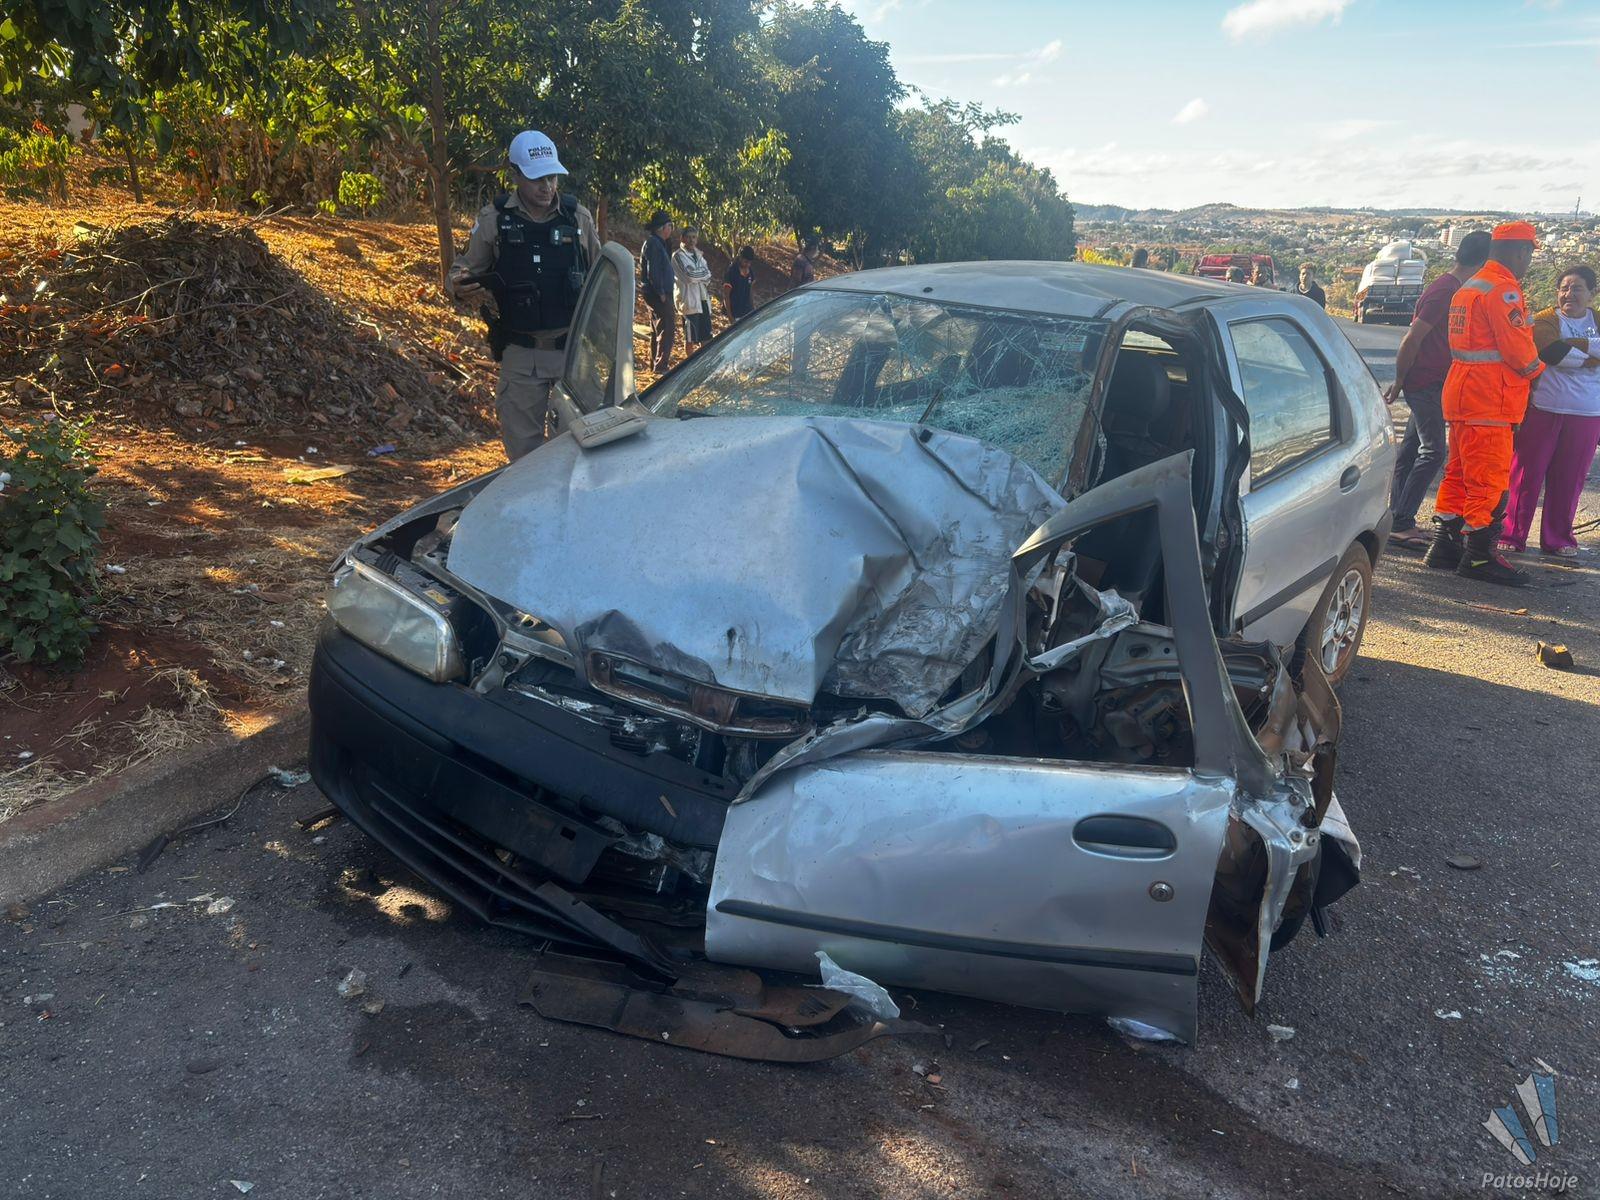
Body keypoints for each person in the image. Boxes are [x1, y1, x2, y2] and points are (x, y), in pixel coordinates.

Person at [448, 130, 600, 461]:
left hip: (573, 355)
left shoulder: (578, 218)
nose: (547, 187)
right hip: (521, 357)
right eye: (536, 179)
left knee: (582, 452)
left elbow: (603, 280)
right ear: (515, 175)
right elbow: (463, 270)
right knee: (524, 458)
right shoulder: (494, 220)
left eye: (552, 177)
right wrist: (459, 283)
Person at [1425, 221, 1544, 586]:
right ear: (1521, 252)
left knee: (1459, 473)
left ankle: (1445, 545)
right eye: (1529, 255)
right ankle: (1479, 556)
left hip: (1464, 394)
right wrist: (1537, 373)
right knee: (1489, 480)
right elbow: (1519, 350)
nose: (1528, 263)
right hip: (1490, 399)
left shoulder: (1470, 286)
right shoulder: (1503, 290)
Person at [1384, 230, 1493, 549]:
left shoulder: (1454, 288)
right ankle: (1401, 522)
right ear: (1484, 262)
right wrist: (1400, 380)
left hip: (1433, 381)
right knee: (1433, 453)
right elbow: (1412, 338)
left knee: (1410, 451)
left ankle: (1396, 518)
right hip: (1426, 382)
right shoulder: (1445, 290)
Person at [1500, 264, 1600, 557]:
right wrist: (1593, 354)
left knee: (1570, 479)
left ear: (1592, 293)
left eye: (1577, 288)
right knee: (1525, 474)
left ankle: (1558, 539)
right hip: (1543, 408)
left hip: (1587, 414)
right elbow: (1551, 353)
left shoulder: (1597, 319)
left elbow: (1563, 351)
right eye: (1564, 288)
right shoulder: (1544, 320)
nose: (1569, 294)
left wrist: (1572, 347)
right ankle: (1512, 534)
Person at [640, 210, 676, 373]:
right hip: (657, 293)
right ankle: (661, 366)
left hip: (657, 292)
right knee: (667, 327)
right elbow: (653, 271)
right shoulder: (653, 244)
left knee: (657, 327)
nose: (671, 229)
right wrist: (661, 292)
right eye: (669, 226)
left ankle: (655, 363)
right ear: (661, 228)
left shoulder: (659, 243)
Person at [672, 227, 714, 354]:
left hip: (703, 300)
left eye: (694, 237)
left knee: (706, 336)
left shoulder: (699, 255)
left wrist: (697, 273)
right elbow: (689, 276)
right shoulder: (678, 256)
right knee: (690, 338)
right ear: (682, 238)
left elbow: (708, 275)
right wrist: (701, 274)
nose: (691, 240)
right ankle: (690, 362)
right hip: (689, 301)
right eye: (688, 237)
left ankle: (705, 361)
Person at [722, 245, 757, 322]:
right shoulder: (731, 272)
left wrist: (753, 309)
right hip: (735, 313)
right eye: (746, 262)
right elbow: (726, 296)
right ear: (740, 258)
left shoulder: (750, 271)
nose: (748, 264)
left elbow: (750, 291)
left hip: (747, 311)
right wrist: (730, 317)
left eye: (750, 262)